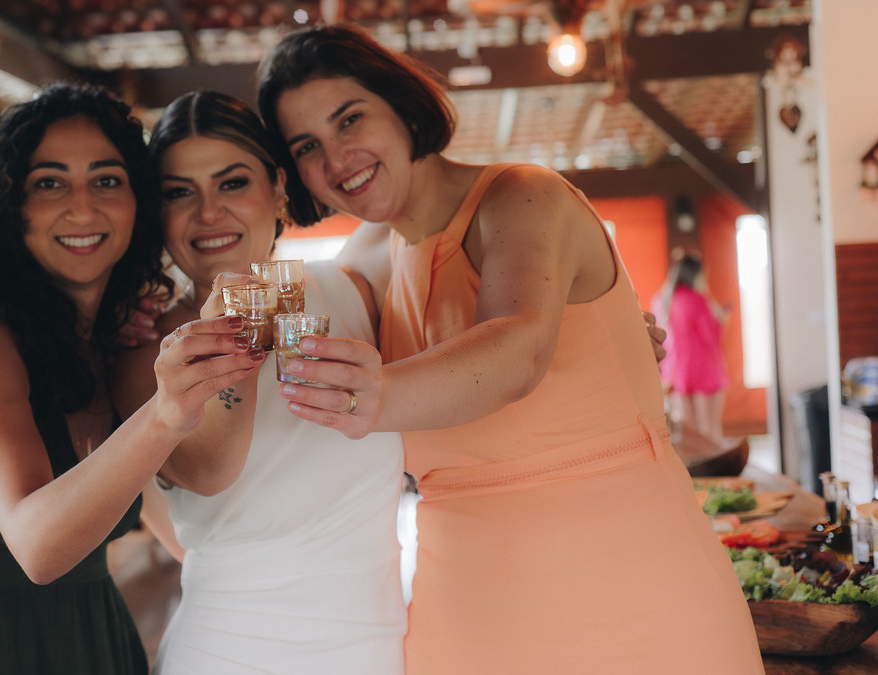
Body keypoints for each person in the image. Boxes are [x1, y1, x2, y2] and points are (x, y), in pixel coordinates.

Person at [256, 24, 764, 674]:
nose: (336, 158)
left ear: (401, 105)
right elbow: (278, 310)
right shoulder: (368, 258)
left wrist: (377, 392)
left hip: (640, 594)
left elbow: (518, 347)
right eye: (307, 146)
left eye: (349, 119)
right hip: (468, 617)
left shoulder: (525, 196)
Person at [0, 82, 264, 675]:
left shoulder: (109, 344)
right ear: (11, 205)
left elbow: (183, 525)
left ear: (139, 204)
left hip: (92, 642)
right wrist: (163, 414)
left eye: (107, 180)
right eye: (49, 183)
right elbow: (39, 549)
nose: (82, 208)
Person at [112, 90, 406, 674]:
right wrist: (237, 316)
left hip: (373, 650)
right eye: (179, 193)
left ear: (277, 188)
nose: (209, 212)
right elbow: (209, 472)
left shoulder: (354, 287)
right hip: (225, 653)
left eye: (232, 183)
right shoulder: (141, 350)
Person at [653, 252, 731, 444]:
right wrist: (721, 319)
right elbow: (711, 335)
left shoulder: (662, 301)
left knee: (690, 435)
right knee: (709, 432)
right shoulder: (698, 299)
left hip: (677, 371)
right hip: (705, 369)